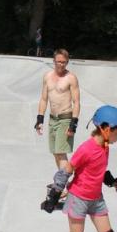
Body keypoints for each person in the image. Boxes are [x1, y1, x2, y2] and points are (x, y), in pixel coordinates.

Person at [34, 49, 81, 204]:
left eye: (64, 62)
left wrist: (74, 123)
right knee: (55, 153)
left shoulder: (71, 78)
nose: (61, 64)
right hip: (52, 120)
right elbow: (43, 99)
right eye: (58, 61)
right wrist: (39, 119)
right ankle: (65, 183)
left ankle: (65, 187)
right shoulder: (47, 76)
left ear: (67, 62)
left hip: (66, 119)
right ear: (53, 61)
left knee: (61, 153)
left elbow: (77, 102)